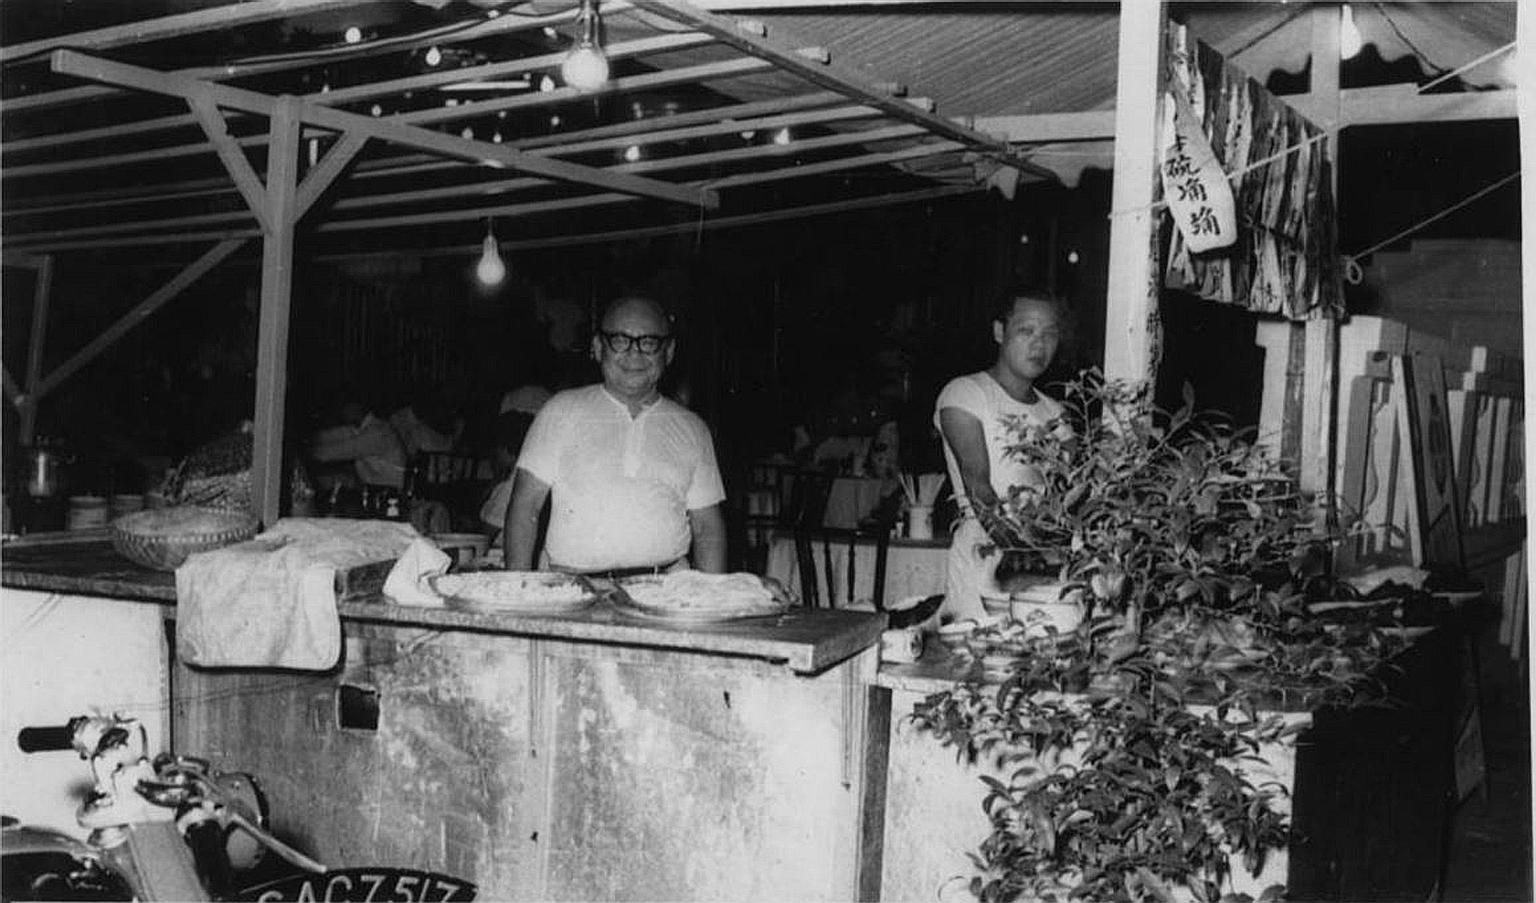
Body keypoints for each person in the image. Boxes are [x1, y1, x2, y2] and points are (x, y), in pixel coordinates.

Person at [503, 296, 727, 575]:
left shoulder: (693, 428)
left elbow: (707, 529)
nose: (634, 355)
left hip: (667, 591)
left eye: (649, 342)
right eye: (620, 340)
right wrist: (517, 588)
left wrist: (712, 601)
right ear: (598, 347)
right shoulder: (560, 410)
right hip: (572, 589)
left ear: (668, 352)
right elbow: (526, 506)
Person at [934, 290, 1068, 620]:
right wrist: (1020, 550)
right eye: (1027, 330)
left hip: (1043, 560)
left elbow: (1066, 497)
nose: (1039, 344)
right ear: (999, 332)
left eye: (1049, 333)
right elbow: (978, 487)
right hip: (988, 552)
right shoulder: (965, 392)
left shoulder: (1057, 414)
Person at [311, 396, 408, 490]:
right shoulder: (359, 428)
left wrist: (306, 451)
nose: (340, 413)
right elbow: (326, 436)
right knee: (327, 478)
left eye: (343, 408)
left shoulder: (378, 432)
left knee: (328, 479)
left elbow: (330, 453)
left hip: (391, 492)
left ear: (355, 407)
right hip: (374, 487)